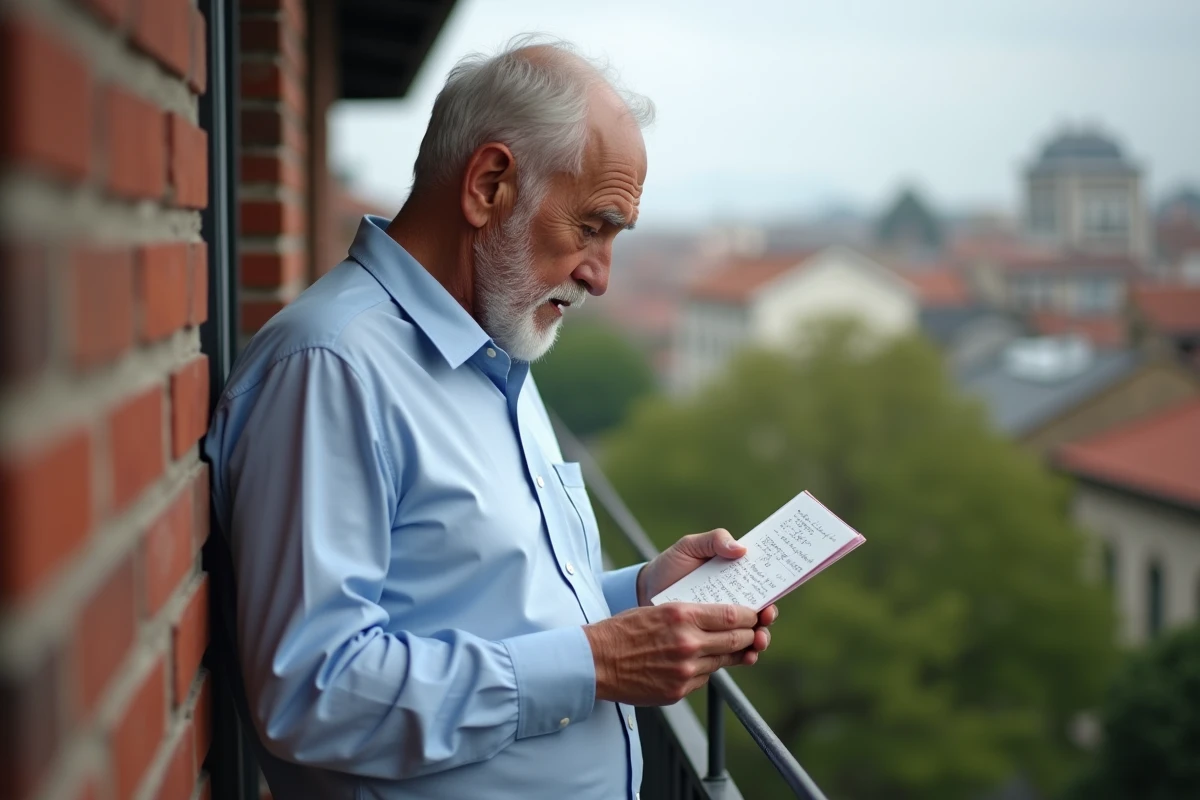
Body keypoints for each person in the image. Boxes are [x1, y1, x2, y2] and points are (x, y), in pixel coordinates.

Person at [203, 36, 776, 800]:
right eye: (593, 227)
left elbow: (486, 603)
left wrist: (638, 599)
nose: (600, 278)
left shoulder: (497, 345)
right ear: (489, 185)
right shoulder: (330, 367)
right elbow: (312, 691)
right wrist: (596, 664)